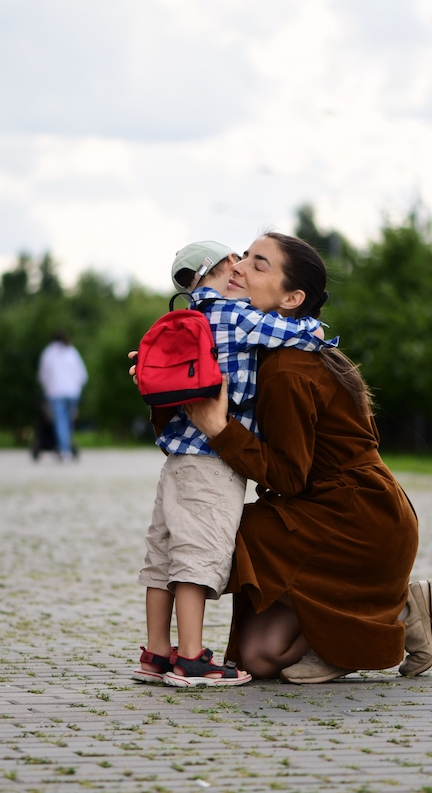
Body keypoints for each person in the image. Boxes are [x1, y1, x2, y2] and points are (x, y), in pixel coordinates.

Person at [181, 232, 432, 683]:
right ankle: (386, 614)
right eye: (244, 256)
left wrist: (221, 431)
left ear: (291, 297)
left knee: (215, 528)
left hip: (355, 525)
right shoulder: (274, 349)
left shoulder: (287, 367)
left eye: (259, 264)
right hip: (360, 516)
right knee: (260, 658)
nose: (238, 266)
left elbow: (288, 475)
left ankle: (384, 610)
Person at [136, 240, 334, 688]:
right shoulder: (234, 314)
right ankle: (191, 658)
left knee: (161, 557)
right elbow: (290, 334)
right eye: (240, 260)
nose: (243, 268)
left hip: (177, 457)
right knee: (197, 557)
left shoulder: (189, 317)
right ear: (227, 267)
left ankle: (156, 653)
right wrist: (319, 336)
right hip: (212, 461)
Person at [39, 329, 88, 461]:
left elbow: (43, 376)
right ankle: (67, 445)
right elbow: (82, 375)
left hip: (56, 392)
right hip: (73, 392)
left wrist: (47, 389)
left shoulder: (48, 353)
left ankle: (64, 450)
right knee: (68, 421)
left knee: (60, 421)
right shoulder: (72, 352)